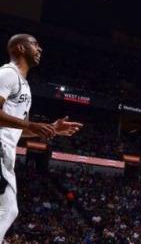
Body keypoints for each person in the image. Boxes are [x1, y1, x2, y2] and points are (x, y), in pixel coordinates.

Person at [0, 34, 82, 241]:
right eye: (34, 44)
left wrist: (51, 128)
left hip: (6, 151)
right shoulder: (7, 73)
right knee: (8, 209)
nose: (40, 49)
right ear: (20, 48)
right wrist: (31, 124)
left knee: (8, 209)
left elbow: (21, 129)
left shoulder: (24, 85)